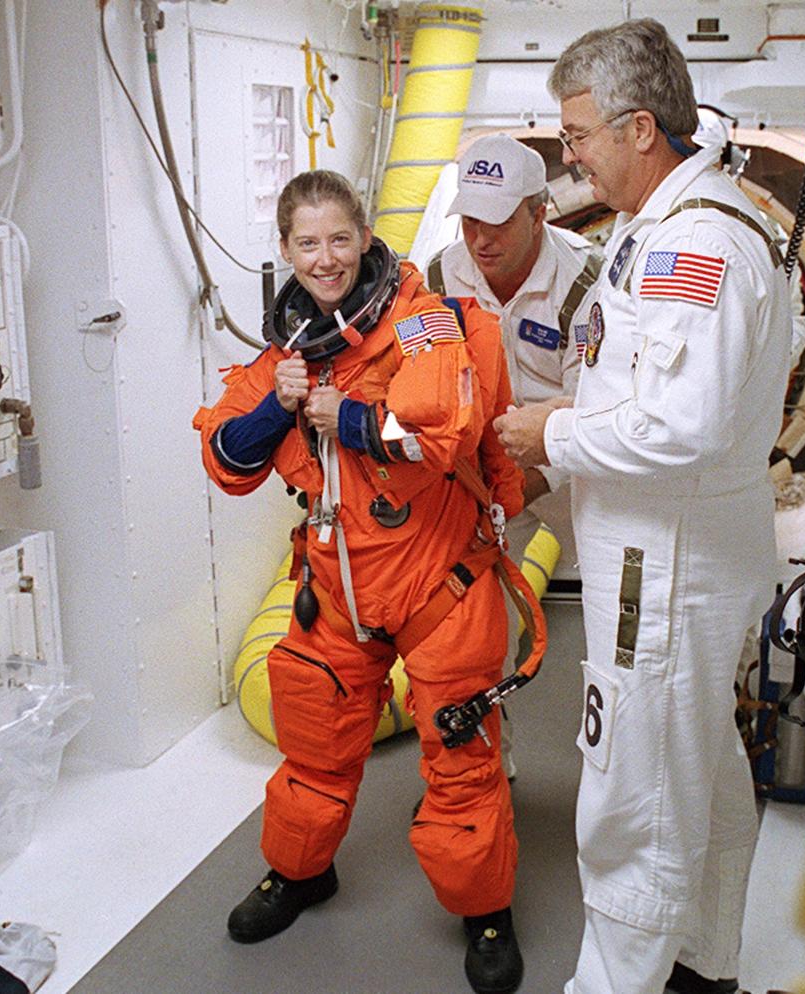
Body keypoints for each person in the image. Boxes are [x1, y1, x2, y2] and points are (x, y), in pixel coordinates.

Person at [494, 20, 793, 994]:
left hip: (661, 572)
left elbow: (683, 426)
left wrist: (554, 436)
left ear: (636, 128)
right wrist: (560, 457)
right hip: (667, 555)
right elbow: (635, 388)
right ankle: (702, 967)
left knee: (632, 804)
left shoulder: (696, 242)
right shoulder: (654, 223)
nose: (568, 153)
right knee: (697, 774)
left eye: (576, 133)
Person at [193, 170, 528, 994]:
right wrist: (282, 405)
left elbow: (437, 434)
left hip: (437, 582)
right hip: (337, 588)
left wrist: (341, 414)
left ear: (366, 236)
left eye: (340, 238)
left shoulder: (424, 325)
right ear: (285, 251)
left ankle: (484, 909)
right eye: (307, 243)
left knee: (460, 755)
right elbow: (227, 460)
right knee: (313, 742)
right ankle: (302, 872)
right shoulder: (283, 357)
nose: (327, 257)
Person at [426, 133, 601, 772]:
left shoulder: (586, 281)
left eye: (498, 220)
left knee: (616, 620)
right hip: (485, 472)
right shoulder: (443, 274)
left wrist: (526, 481)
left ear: (538, 211)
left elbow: (595, 412)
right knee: (465, 628)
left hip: (574, 472)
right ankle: (483, 767)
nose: (481, 239)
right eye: (470, 220)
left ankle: (621, 773)